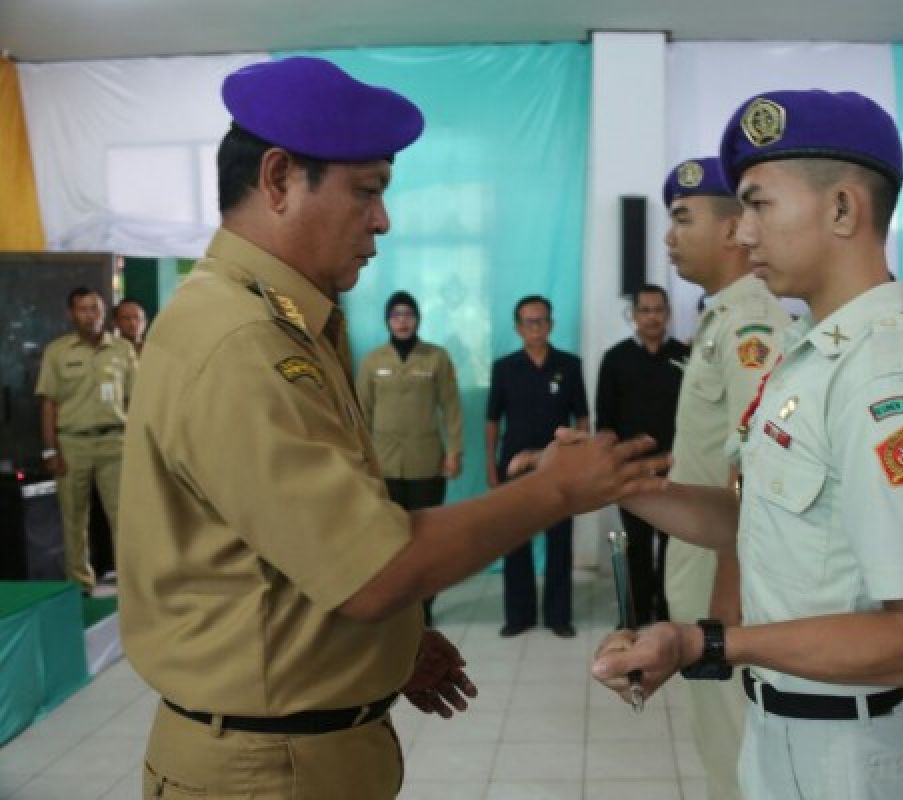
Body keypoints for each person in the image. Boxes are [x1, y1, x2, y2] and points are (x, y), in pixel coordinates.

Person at [117, 56, 667, 800]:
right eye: (367, 192)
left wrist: (384, 647)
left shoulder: (283, 321)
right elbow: (372, 572)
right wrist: (555, 491)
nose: (382, 219)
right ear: (278, 179)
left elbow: (278, 550)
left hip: (297, 741)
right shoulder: (240, 340)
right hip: (266, 770)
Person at [592, 90, 903, 800]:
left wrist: (705, 641)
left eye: (759, 205)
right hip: (783, 730)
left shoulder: (889, 384)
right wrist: (617, 486)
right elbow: (758, 520)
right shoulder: (812, 356)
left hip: (848, 752)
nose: (741, 234)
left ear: (841, 210)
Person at [660, 155, 792, 800]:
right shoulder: (718, 320)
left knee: (737, 755)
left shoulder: (750, 325)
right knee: (719, 746)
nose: (668, 237)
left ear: (733, 226)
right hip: (702, 560)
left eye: (683, 218)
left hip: (722, 577)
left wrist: (724, 609)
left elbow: (755, 464)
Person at [356, 290, 463, 625]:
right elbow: (360, 412)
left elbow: (451, 407)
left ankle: (425, 605)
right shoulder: (373, 360)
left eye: (408, 314)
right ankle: (398, 604)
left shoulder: (436, 358)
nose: (402, 320)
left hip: (426, 461)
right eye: (395, 314)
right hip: (383, 463)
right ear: (387, 320)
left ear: (418, 319)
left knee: (426, 537)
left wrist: (455, 450)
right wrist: (360, 459)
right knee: (390, 538)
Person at [486, 295, 590, 638]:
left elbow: (583, 418)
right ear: (518, 328)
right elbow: (491, 420)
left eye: (542, 321)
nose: (536, 327)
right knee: (515, 540)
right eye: (529, 322)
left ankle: (558, 616)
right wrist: (491, 464)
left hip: (558, 468)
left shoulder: (569, 365)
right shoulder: (504, 367)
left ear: (552, 324)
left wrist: (579, 457)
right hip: (513, 467)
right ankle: (519, 615)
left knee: (559, 541)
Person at [596, 284, 689, 625]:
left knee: (673, 543)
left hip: (678, 466)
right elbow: (603, 418)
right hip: (631, 470)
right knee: (636, 543)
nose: (652, 317)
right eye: (645, 310)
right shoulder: (616, 358)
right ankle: (634, 616)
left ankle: (667, 613)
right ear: (633, 316)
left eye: (658, 310)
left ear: (667, 314)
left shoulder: (684, 356)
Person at [35, 287, 137, 592]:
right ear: (71, 314)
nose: (91, 315)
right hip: (72, 445)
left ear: (104, 313)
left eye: (96, 308)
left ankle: (132, 586)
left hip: (115, 444)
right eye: (83, 309)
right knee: (74, 519)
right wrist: (50, 449)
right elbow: (48, 404)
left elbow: (137, 401)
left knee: (124, 517)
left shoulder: (122, 350)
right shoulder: (57, 352)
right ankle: (80, 586)